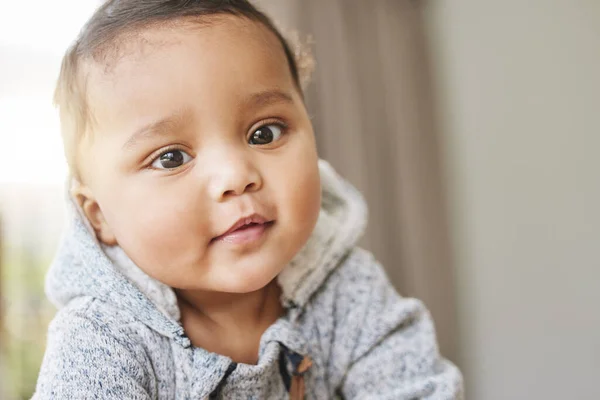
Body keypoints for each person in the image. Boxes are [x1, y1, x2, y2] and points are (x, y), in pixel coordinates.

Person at [34, 1, 463, 398]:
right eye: (171, 158)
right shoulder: (101, 338)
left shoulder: (347, 290)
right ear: (99, 217)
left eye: (265, 133)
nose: (236, 177)